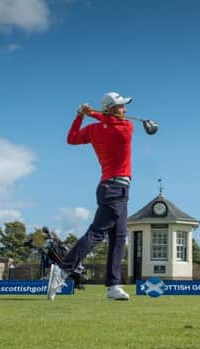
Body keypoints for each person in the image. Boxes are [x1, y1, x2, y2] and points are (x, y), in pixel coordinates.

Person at [46, 92, 134, 301]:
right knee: (97, 233)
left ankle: (113, 286)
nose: (126, 110)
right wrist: (91, 113)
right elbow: (73, 139)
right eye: (121, 106)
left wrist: (81, 115)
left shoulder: (94, 128)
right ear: (111, 110)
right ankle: (63, 270)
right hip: (115, 189)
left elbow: (72, 137)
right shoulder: (125, 128)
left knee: (119, 237)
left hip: (112, 188)